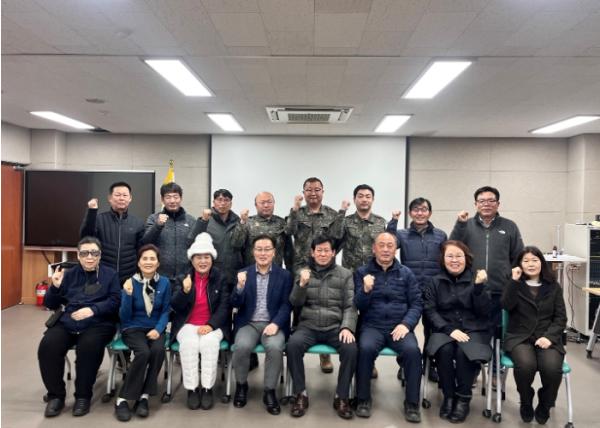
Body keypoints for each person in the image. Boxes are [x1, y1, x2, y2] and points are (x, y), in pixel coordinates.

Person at [38, 237, 120, 418]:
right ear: (78, 255)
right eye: (85, 253)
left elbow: (115, 301)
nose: (90, 257)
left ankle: (83, 396)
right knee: (48, 345)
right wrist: (55, 287)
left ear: (100, 255)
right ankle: (56, 396)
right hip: (68, 321)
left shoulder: (110, 274)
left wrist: (93, 310)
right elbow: (50, 304)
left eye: (94, 253)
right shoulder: (68, 274)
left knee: (89, 347)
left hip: (98, 323)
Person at [354, 232, 423, 423]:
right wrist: (365, 290)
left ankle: (412, 403)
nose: (385, 249)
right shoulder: (362, 272)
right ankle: (363, 399)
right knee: (365, 349)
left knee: (413, 352)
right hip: (372, 326)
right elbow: (358, 305)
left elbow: (417, 303)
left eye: (390, 245)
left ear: (395, 249)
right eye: (381, 245)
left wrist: (406, 324)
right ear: (373, 249)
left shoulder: (406, 273)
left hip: (398, 327)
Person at [286, 235, 358, 419]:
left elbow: (350, 305)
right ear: (312, 252)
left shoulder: (345, 274)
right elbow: (294, 302)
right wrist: (302, 285)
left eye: (327, 250)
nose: (323, 254)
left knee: (351, 349)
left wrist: (347, 327)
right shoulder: (303, 273)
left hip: (335, 327)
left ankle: (341, 396)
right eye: (319, 250)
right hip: (308, 326)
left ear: (333, 253)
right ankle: (300, 394)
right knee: (293, 345)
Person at [423, 240, 492, 423]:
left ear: (466, 258)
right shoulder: (435, 282)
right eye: (450, 256)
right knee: (444, 350)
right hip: (444, 328)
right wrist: (449, 329)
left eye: (459, 256)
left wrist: (478, 288)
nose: (454, 260)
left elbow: (484, 311)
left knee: (464, 352)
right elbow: (430, 310)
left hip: (473, 328)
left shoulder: (477, 279)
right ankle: (449, 396)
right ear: (443, 259)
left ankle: (463, 398)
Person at [286, 177, 346, 373]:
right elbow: (289, 231)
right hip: (301, 267)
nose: (313, 193)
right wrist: (295, 209)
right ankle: (297, 344)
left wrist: (327, 258)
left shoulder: (331, 214)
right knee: (299, 304)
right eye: (309, 190)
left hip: (324, 267)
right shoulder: (297, 212)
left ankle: (324, 355)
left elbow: (338, 237)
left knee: (323, 302)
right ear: (303, 192)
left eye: (317, 189)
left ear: (322, 191)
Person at [502, 246, 567, 425]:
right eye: (526, 261)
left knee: (552, 368)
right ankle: (526, 399)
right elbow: (506, 305)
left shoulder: (553, 286)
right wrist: (514, 281)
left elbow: (561, 317)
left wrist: (549, 337)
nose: (531, 264)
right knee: (525, 366)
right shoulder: (514, 283)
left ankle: (545, 403)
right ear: (519, 264)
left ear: (542, 263)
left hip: (547, 337)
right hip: (520, 337)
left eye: (535, 260)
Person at [230, 235, 293, 415]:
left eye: (267, 249)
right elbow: (234, 303)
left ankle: (269, 391)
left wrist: (276, 323)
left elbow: (286, 305)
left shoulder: (284, 275)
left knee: (274, 347)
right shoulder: (244, 273)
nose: (263, 253)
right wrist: (240, 286)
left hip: (273, 324)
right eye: (259, 249)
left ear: (274, 252)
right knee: (241, 346)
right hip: (248, 323)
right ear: (253, 252)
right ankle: (241, 385)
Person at [387, 197, 447, 381]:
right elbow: (388, 242)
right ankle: (404, 364)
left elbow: (447, 259)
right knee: (405, 327)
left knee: (432, 330)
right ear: (410, 213)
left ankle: (430, 365)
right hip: (408, 289)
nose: (420, 213)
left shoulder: (440, 235)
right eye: (416, 209)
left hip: (433, 290)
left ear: (430, 212)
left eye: (424, 209)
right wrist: (393, 221)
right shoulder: (402, 234)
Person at [170, 233, 231, 410]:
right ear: (192, 260)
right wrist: (185, 291)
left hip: (213, 324)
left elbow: (225, 307)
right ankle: (192, 389)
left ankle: (207, 388)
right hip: (187, 324)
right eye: (198, 257)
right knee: (189, 345)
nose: (203, 261)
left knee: (208, 344)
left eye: (206, 257)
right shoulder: (183, 277)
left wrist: (210, 325)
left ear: (212, 259)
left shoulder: (220, 277)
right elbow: (175, 306)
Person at [450, 186, 523, 332]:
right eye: (482, 201)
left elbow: (518, 256)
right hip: (472, 288)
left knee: (499, 330)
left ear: (498, 204)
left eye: (491, 200)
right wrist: (460, 225)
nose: (486, 204)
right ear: (476, 204)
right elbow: (451, 248)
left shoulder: (509, 226)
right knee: (474, 330)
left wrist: (512, 281)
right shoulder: (466, 225)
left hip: (501, 289)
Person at [114, 244, 171, 422]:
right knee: (143, 352)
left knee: (158, 350)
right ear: (138, 263)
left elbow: (165, 311)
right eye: (144, 258)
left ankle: (144, 396)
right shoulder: (130, 282)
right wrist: (127, 295)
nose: (148, 262)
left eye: (152, 258)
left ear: (158, 263)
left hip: (155, 327)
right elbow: (124, 317)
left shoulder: (164, 282)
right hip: (132, 327)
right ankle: (123, 398)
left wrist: (158, 329)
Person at [339, 184, 386, 379]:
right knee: (350, 315)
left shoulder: (380, 222)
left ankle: (369, 361)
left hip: (373, 278)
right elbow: (334, 240)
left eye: (368, 196)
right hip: (350, 276)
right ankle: (349, 359)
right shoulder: (346, 222)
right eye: (360, 196)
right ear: (355, 199)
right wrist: (341, 212)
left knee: (369, 317)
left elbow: (386, 247)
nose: (364, 199)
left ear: (372, 199)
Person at [80, 181, 145, 284]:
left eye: (125, 195)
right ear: (110, 198)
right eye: (117, 195)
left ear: (130, 198)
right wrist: (92, 212)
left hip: (129, 279)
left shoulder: (138, 223)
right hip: (102, 276)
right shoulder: (99, 219)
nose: (121, 198)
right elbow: (85, 238)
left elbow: (141, 251)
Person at [142, 182, 200, 289]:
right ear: (162, 199)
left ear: (181, 198)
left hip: (185, 278)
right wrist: (158, 225)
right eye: (168, 197)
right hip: (159, 276)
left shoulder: (191, 220)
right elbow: (146, 242)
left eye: (175, 197)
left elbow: (196, 247)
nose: (172, 201)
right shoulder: (153, 219)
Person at [190, 189, 243, 288]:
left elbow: (243, 246)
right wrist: (203, 221)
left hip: (233, 275)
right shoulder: (206, 219)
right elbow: (192, 240)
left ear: (231, 204)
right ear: (214, 202)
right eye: (219, 200)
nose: (222, 203)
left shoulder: (238, 222)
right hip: (211, 274)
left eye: (226, 200)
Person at [230, 191, 294, 271]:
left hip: (276, 272)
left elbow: (288, 252)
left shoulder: (282, 223)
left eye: (269, 202)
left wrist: (290, 273)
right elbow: (236, 245)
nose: (266, 205)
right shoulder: (247, 222)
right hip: (251, 272)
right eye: (262, 203)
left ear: (274, 203)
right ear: (256, 205)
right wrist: (242, 222)